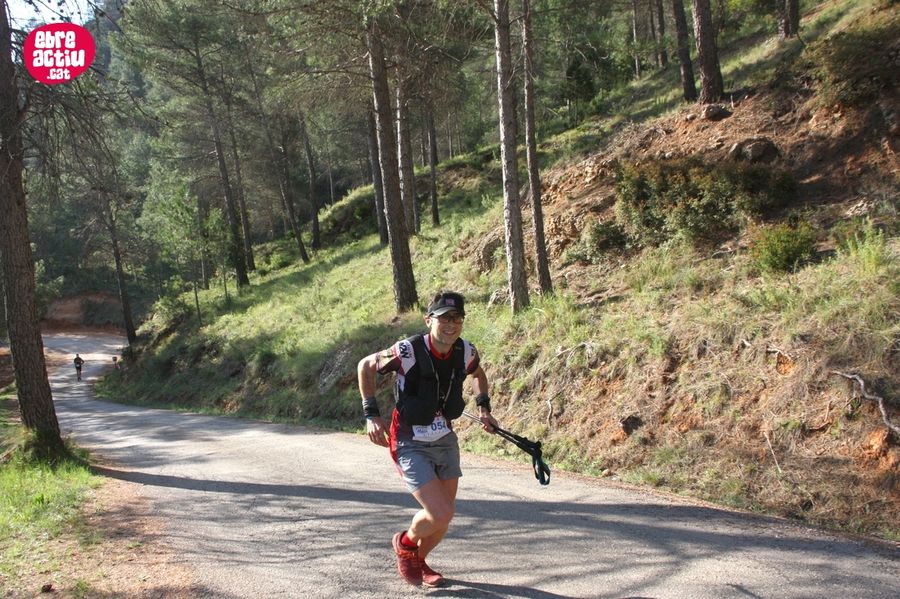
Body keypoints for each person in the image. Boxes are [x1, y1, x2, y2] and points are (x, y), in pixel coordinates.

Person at [357, 291, 499, 588]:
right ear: (428, 320)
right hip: (409, 440)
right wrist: (371, 415)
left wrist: (484, 409)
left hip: (445, 438)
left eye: (457, 318)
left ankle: (418, 561)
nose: (451, 324)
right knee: (440, 512)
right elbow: (366, 365)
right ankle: (406, 543)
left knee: (444, 517)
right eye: (444, 318)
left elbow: (478, 374)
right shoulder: (406, 351)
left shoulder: (465, 351)